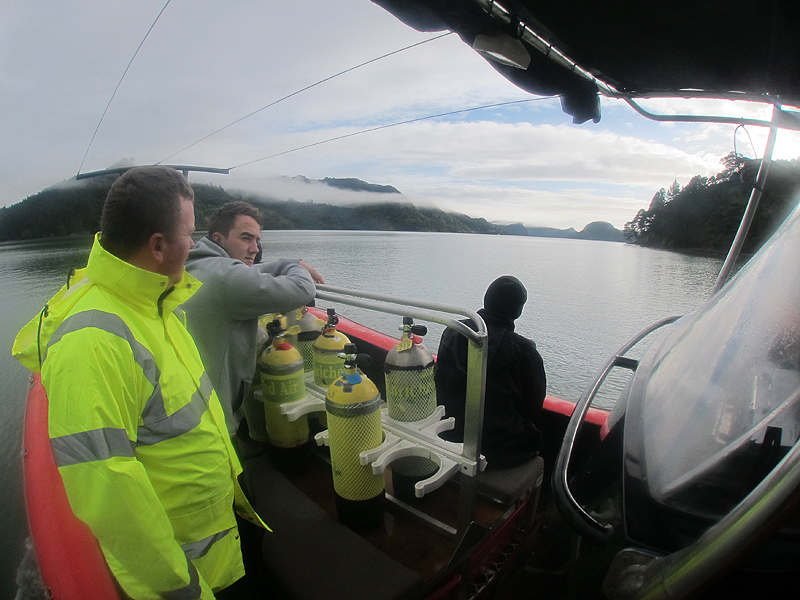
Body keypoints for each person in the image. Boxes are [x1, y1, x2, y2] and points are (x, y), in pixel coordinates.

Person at [12, 167, 265, 599]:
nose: (195, 244)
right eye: (189, 233)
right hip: (189, 568)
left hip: (218, 530)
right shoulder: (93, 342)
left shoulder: (152, 303)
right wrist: (182, 589)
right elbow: (112, 496)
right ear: (158, 245)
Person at [182, 201, 321, 436]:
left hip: (187, 405)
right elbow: (302, 289)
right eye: (246, 238)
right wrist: (296, 266)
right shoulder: (226, 279)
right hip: (209, 424)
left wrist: (283, 263)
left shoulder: (195, 265)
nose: (255, 249)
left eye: (257, 240)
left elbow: (246, 275)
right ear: (219, 239)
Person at [435, 275, 547, 470]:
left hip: (445, 432)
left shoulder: (453, 331)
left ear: (486, 300)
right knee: (537, 437)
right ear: (518, 311)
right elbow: (533, 410)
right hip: (495, 449)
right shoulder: (524, 351)